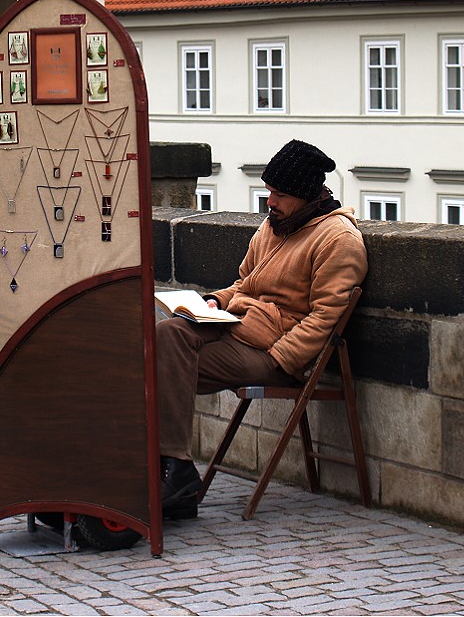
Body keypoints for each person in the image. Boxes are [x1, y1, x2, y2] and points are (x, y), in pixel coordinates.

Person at [156, 139, 369, 518]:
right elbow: (243, 283)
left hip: (270, 353)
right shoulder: (273, 226)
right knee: (165, 334)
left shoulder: (338, 239)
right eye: (269, 191)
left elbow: (324, 318)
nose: (270, 201)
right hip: (236, 324)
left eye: (280, 194)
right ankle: (174, 469)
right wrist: (215, 302)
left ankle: (170, 470)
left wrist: (281, 359)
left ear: (306, 195)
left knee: (160, 363)